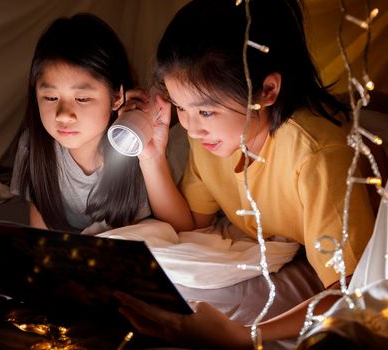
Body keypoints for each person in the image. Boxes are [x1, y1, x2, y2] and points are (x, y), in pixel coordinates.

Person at [115, 0, 375, 348]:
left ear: (267, 91)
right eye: (180, 108)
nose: (191, 128)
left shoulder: (318, 157)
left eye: (205, 111)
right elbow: (190, 223)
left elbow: (350, 291)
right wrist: (151, 155)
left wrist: (245, 338)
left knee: (197, 307)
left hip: (330, 272)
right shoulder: (213, 138)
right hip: (276, 251)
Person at [10, 13, 151, 235]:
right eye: (50, 98)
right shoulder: (33, 147)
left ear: (116, 97)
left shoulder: (134, 146)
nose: (63, 115)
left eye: (82, 99)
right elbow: (42, 235)